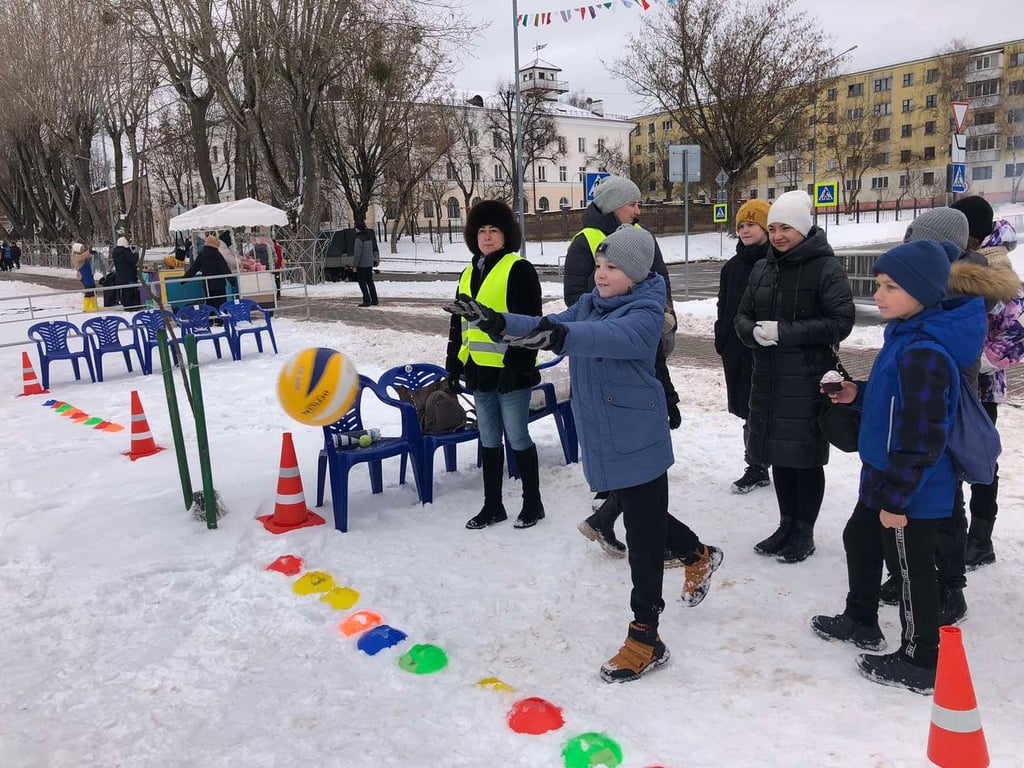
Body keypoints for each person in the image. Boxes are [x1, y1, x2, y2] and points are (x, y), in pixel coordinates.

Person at [446, 226, 723, 683]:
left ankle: (645, 637)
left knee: (643, 541)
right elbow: (553, 322)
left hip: (638, 439)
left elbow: (586, 336)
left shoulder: (646, 312)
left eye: (612, 267)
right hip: (604, 437)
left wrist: (546, 335)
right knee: (644, 516)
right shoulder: (593, 301)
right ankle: (698, 554)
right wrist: (498, 321)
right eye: (598, 265)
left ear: (635, 274)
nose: (600, 275)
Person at [810, 240, 987, 695]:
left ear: (924, 292)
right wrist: (858, 393)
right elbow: (897, 400)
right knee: (859, 539)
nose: (879, 294)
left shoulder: (926, 351)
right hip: (885, 474)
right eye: (880, 284)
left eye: (892, 286)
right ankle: (861, 620)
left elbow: (924, 434)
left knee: (910, 570)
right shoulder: (905, 334)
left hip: (912, 485)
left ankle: (921, 659)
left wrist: (898, 499)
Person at [734, 190, 855, 563]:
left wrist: (785, 332)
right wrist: (750, 331)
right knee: (779, 455)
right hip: (768, 378)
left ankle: (805, 532)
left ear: (803, 228)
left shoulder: (825, 267)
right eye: (773, 228)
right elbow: (741, 315)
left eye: (786, 227)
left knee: (805, 458)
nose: (778, 235)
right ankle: (786, 525)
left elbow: (841, 322)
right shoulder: (762, 267)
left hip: (806, 379)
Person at [563, 175, 681, 557]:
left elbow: (657, 281)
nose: (638, 210)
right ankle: (664, 546)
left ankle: (617, 526)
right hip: (604, 356)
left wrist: (664, 315)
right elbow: (577, 303)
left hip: (635, 343)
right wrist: (612, 323)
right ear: (615, 203)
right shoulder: (585, 243)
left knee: (639, 463)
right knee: (633, 469)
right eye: (632, 203)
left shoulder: (638, 237)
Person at [442, 199, 545, 530]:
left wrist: (518, 365)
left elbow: (531, 323)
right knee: (488, 439)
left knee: (517, 437)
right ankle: (493, 505)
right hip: (479, 372)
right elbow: (459, 325)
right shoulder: (469, 271)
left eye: (494, 231)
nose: (487, 237)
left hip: (510, 371)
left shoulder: (518, 269)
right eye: (482, 231)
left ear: (506, 235)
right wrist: (453, 365)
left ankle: (533, 503)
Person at [715, 199, 772, 494]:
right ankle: (757, 464)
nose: (745, 230)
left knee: (764, 408)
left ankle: (760, 463)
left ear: (765, 227)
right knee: (748, 410)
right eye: (741, 225)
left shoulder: (775, 262)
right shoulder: (732, 267)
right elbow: (723, 304)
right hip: (736, 349)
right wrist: (721, 338)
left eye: (752, 224)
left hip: (765, 347)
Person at [184, 235, 232, 309]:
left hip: (207, 285)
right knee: (221, 305)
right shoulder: (217, 254)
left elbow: (194, 268)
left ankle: (211, 319)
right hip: (219, 285)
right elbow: (224, 268)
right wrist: (232, 281)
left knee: (210, 304)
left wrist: (185, 279)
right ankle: (220, 319)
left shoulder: (202, 254)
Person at [112, 236, 142, 310]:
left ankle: (126, 305)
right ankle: (131, 306)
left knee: (125, 291)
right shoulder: (125, 252)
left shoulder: (115, 252)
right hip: (129, 275)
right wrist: (136, 253)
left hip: (120, 276)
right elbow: (133, 260)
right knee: (130, 291)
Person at [353, 221, 379, 307]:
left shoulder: (358, 239)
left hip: (361, 264)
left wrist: (355, 265)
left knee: (362, 282)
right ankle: (374, 299)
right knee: (370, 282)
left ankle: (366, 300)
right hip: (369, 263)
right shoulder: (369, 237)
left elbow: (357, 254)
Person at [70, 242, 98, 312]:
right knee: (88, 290)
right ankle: (87, 307)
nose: (83, 249)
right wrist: (89, 251)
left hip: (89, 274)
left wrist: (93, 254)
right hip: (84, 275)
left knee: (93, 289)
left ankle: (94, 305)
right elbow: (82, 257)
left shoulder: (82, 255)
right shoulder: (75, 256)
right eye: (81, 248)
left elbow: (87, 256)